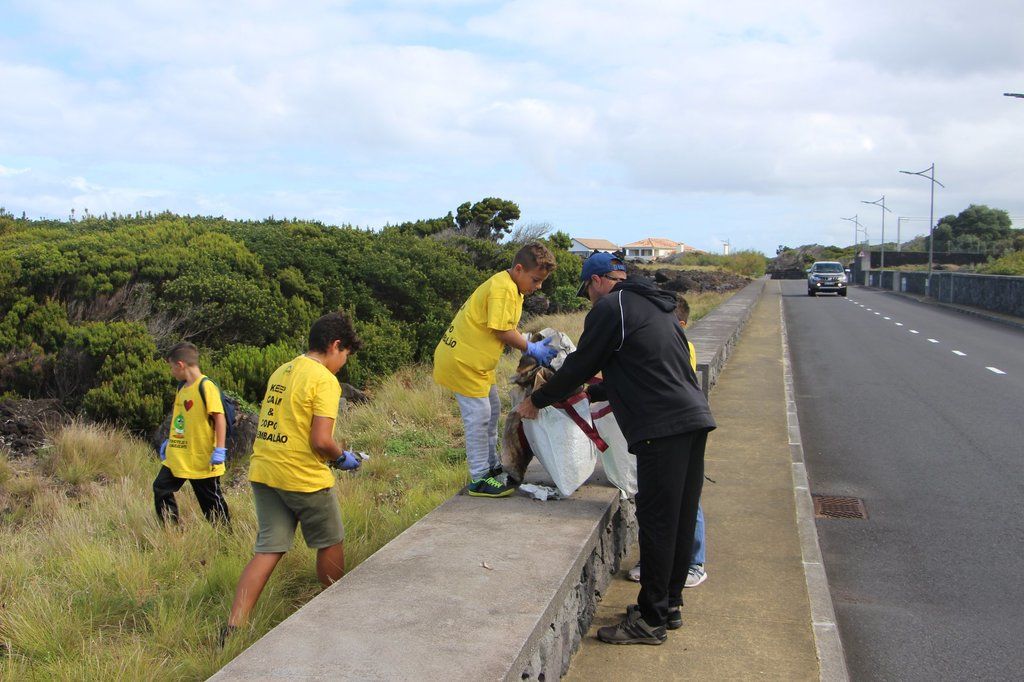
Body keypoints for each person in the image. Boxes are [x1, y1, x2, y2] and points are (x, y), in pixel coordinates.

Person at [515, 253, 715, 645]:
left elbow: (578, 364)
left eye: (587, 292)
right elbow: (640, 370)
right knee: (678, 517)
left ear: (595, 282)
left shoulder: (611, 308)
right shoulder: (654, 306)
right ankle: (667, 606)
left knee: (657, 523)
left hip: (662, 426)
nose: (590, 301)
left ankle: (649, 623)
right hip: (693, 418)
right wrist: (593, 392)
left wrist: (536, 401)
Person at [224, 312, 363, 638]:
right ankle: (336, 609)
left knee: (269, 548)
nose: (343, 363)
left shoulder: (283, 370)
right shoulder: (325, 380)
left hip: (265, 471)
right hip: (301, 476)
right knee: (330, 540)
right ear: (335, 345)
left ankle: (233, 628)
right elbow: (320, 440)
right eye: (345, 355)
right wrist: (343, 457)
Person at [433, 242, 558, 498]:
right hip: (463, 361)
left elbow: (505, 327)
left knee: (492, 412)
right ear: (519, 269)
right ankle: (479, 479)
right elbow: (501, 330)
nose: (538, 286)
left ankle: (491, 469)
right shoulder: (503, 288)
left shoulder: (512, 288)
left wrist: (527, 343)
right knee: (479, 418)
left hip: (477, 363)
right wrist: (530, 348)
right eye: (535, 280)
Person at [627, 294, 707, 588]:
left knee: (686, 501)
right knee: (658, 503)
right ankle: (654, 562)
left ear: (681, 324)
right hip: (663, 427)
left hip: (679, 427)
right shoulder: (664, 343)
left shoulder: (682, 347)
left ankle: (694, 562)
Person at [154, 342, 230, 525]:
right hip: (179, 455)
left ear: (180, 365)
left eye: (172, 367)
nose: (171, 372)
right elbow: (181, 419)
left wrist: (220, 449)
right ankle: (171, 531)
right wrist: (170, 442)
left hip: (202, 458)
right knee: (161, 488)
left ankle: (225, 538)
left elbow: (219, 418)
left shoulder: (206, 386)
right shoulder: (182, 388)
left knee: (211, 504)